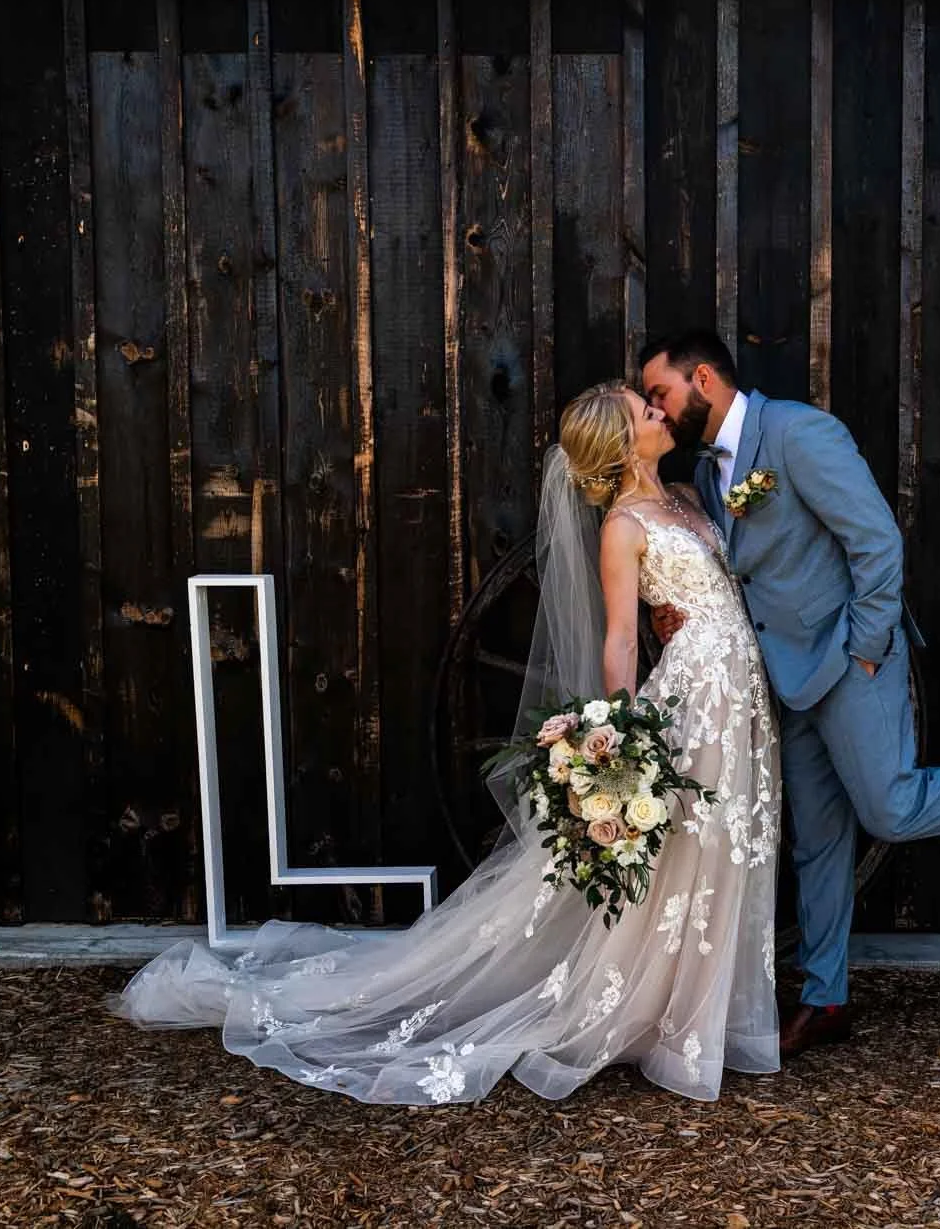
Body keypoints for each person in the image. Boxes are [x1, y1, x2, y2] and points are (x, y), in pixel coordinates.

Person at [110, 383, 780, 1104]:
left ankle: (693, 1011)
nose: (655, 409)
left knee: (719, 846)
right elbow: (620, 638)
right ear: (620, 444)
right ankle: (666, 1023)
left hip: (736, 697)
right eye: (639, 409)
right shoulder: (623, 525)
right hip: (693, 701)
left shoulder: (684, 493)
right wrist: (616, 738)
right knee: (685, 845)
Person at [639, 329, 940, 1058]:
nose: (657, 410)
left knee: (891, 807)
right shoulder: (708, 474)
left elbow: (876, 542)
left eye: (661, 393)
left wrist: (865, 648)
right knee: (819, 841)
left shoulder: (797, 432)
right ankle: (824, 996)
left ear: (703, 378)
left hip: (847, 660)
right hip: (786, 679)